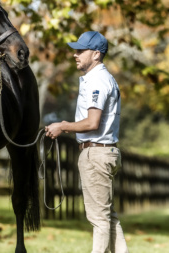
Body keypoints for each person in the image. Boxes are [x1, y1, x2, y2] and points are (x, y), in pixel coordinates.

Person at [45, 31, 129, 253]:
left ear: (96, 54)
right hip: (103, 151)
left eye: (80, 51)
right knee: (108, 217)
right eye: (75, 50)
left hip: (96, 153)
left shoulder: (97, 81)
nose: (75, 54)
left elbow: (92, 123)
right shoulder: (101, 78)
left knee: (99, 220)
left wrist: (62, 126)